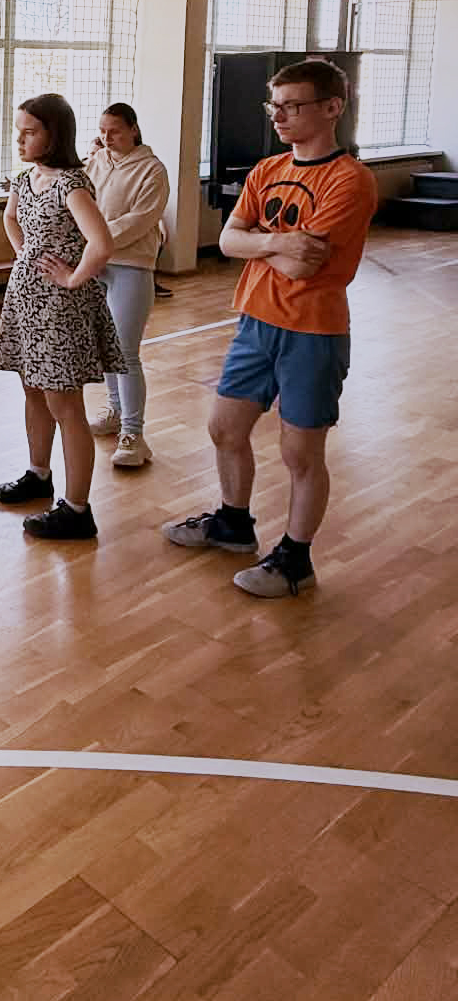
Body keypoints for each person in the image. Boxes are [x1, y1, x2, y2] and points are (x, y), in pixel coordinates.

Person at [163, 58, 377, 599]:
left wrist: (256, 241)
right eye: (273, 106)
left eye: (291, 106)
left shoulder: (349, 180)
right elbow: (228, 240)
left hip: (313, 333)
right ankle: (233, 524)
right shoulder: (266, 169)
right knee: (224, 429)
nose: (278, 116)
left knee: (300, 453)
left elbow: (304, 266)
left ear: (332, 107)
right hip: (255, 322)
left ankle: (295, 560)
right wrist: (277, 242)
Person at [0, 93, 124, 541]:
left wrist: (72, 278)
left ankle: (78, 509)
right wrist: (25, 255)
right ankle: (38, 474)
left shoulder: (71, 184)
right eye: (19, 131)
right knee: (32, 389)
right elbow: (10, 219)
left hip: (60, 309)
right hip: (26, 300)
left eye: (29, 132)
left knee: (65, 404)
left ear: (54, 134)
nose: (20, 140)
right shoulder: (25, 179)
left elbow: (101, 244)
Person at [85, 102, 171, 469]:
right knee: (106, 346)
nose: (107, 137)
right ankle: (115, 411)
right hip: (96, 262)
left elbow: (140, 220)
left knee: (124, 351)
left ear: (133, 129)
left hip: (131, 266)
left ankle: (134, 435)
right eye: (103, 131)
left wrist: (96, 237)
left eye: (115, 131)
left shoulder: (153, 170)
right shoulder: (96, 161)